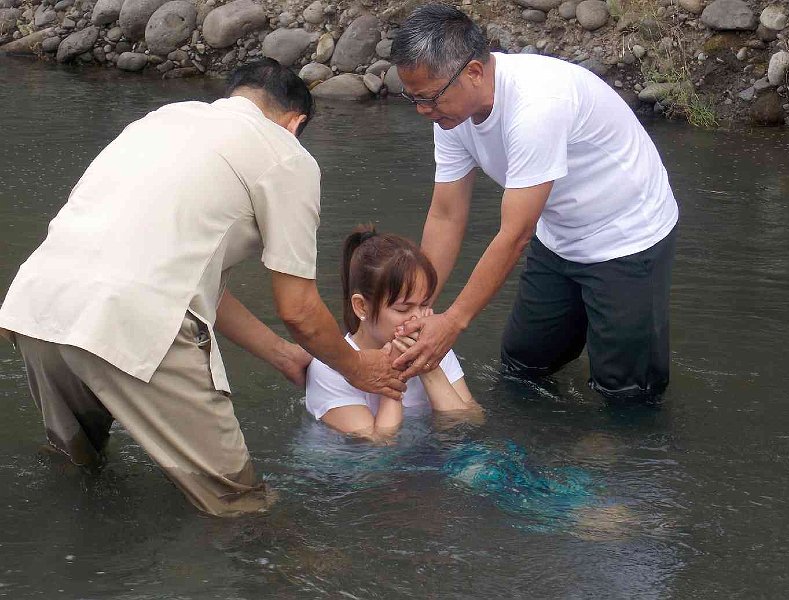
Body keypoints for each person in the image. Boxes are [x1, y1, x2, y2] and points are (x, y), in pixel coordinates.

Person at [0, 59, 405, 517]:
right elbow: (299, 309)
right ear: (297, 122)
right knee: (240, 507)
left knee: (77, 469)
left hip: (37, 306)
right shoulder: (287, 155)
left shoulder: (159, 122)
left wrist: (285, 355)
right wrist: (356, 368)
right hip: (132, 317)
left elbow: (182, 278)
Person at [388, 5, 679, 404]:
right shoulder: (450, 115)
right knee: (523, 366)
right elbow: (446, 214)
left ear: (473, 72)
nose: (424, 111)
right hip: (558, 231)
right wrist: (417, 306)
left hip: (626, 235)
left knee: (626, 388)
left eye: (430, 98)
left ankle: (622, 451)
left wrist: (452, 323)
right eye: (414, 99)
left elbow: (515, 235)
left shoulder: (537, 105)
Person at [305, 225, 481, 441]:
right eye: (403, 309)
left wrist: (428, 367)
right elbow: (381, 452)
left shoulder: (433, 342)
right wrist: (394, 375)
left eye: (424, 305)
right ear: (361, 307)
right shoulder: (331, 369)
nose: (417, 319)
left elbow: (470, 424)